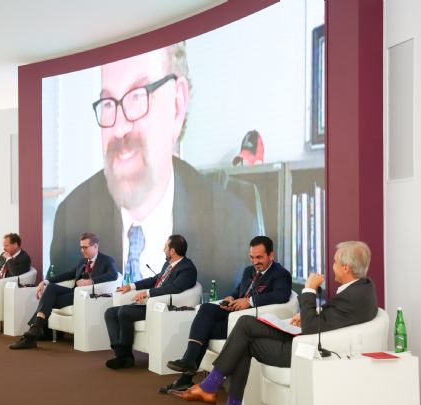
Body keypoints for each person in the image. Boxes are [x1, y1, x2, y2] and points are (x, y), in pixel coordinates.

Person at [49, 42, 263, 293]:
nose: (119, 128)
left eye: (137, 96)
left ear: (177, 104)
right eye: (108, 103)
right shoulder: (71, 216)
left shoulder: (234, 226)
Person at [170, 241, 379, 405]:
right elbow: (337, 318)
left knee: (244, 328)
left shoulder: (352, 296)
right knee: (243, 328)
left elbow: (313, 327)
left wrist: (309, 290)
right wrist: (314, 312)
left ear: (345, 267)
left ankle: (214, 391)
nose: (331, 265)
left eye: (334, 261)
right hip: (303, 338)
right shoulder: (362, 289)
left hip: (302, 349)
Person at [160, 235, 292, 394]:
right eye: (252, 257)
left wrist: (249, 302)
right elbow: (239, 292)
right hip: (234, 313)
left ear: (271, 255)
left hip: (248, 322)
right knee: (206, 308)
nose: (255, 262)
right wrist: (231, 298)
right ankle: (188, 364)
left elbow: (281, 296)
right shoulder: (248, 271)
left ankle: (185, 376)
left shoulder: (280, 274)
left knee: (205, 328)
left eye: (259, 257)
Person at [10, 232, 118, 349]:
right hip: (74, 293)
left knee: (47, 300)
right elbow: (67, 275)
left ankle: (34, 332)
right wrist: (46, 281)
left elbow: (113, 275)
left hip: (86, 297)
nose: (82, 250)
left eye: (85, 247)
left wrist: (91, 281)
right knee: (50, 289)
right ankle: (35, 331)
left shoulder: (107, 260)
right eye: (81, 247)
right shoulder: (82, 262)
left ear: (95, 246)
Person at [104, 234, 197, 369]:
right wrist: (131, 286)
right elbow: (155, 280)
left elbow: (175, 288)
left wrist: (148, 293)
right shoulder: (168, 264)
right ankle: (121, 354)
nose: (162, 249)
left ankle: (125, 357)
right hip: (150, 303)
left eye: (165, 247)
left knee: (124, 312)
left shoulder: (187, 268)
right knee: (110, 313)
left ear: (172, 251)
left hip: (160, 306)